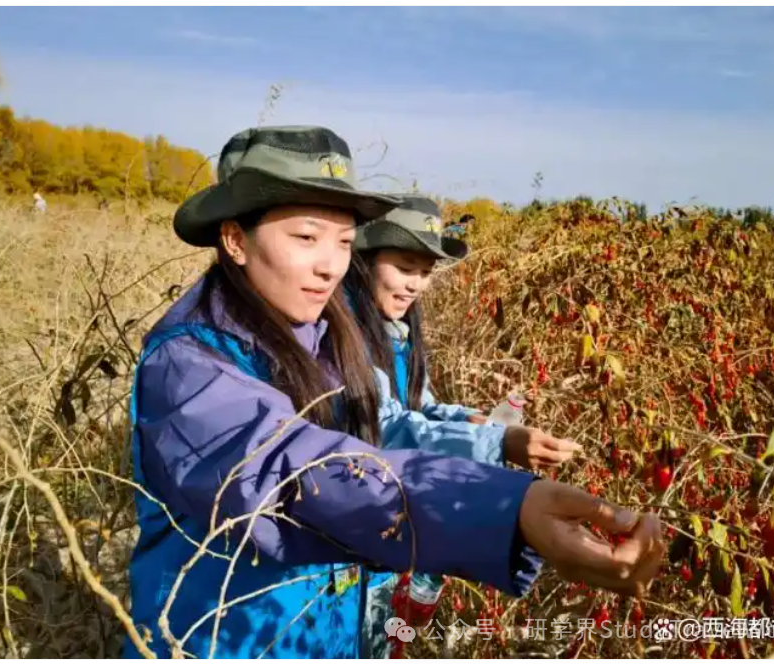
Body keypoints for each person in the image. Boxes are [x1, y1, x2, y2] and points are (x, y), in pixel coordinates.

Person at [124, 125, 664, 659]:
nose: (330, 265)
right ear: (236, 239)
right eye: (306, 238)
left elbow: (379, 424)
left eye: (342, 241)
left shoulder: (323, 337)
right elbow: (295, 471)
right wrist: (503, 510)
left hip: (325, 634)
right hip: (227, 641)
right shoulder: (188, 366)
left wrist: (495, 453)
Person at [345, 195, 582, 657]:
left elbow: (422, 405)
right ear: (365, 259)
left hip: (386, 518)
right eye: (405, 266)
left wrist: (469, 420)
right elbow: (387, 427)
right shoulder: (342, 332)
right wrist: (497, 444)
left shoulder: (400, 331)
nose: (416, 284)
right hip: (356, 517)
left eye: (425, 272)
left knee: (382, 633)